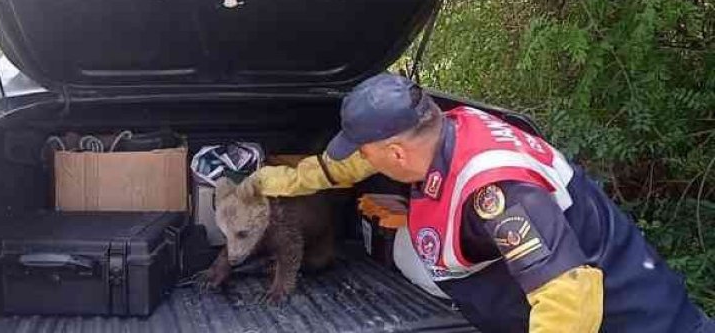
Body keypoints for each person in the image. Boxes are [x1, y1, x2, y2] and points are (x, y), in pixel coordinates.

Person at [239, 73, 713, 333]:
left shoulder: (498, 193)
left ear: (396, 153)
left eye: (366, 151)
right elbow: (347, 167)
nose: (361, 160)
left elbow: (569, 300)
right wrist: (279, 180)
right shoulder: (448, 127)